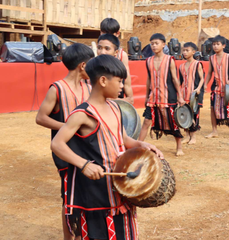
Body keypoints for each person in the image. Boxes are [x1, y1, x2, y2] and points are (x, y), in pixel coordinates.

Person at [51, 54, 163, 240]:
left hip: (120, 186)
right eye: (120, 81)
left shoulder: (116, 107)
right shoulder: (81, 114)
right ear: (103, 80)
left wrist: (141, 144)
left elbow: (124, 138)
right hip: (97, 194)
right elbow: (57, 143)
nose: (122, 86)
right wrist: (84, 165)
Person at [35, 43, 94, 240]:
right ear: (83, 65)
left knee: (86, 192)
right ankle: (69, 237)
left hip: (88, 150)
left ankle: (82, 233)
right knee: (69, 197)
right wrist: (69, 128)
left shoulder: (89, 87)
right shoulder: (57, 89)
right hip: (65, 151)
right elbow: (41, 118)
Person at [138, 33, 185, 156]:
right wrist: (146, 96)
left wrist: (180, 96)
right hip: (153, 97)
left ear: (163, 44)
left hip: (168, 97)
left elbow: (175, 79)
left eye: (156, 43)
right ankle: (137, 146)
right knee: (147, 121)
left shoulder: (170, 60)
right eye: (152, 43)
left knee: (172, 122)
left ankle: (179, 147)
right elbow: (149, 79)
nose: (154, 46)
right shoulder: (148, 61)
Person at [204, 35, 229, 138]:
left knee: (227, 106)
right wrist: (204, 84)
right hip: (216, 86)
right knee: (212, 108)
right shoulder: (211, 58)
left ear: (223, 46)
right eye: (214, 44)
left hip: (227, 86)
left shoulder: (228, 57)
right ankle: (214, 131)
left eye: (218, 44)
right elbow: (209, 73)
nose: (215, 46)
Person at [100, 18, 134, 104]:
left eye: (110, 34)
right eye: (104, 33)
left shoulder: (122, 55)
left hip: (117, 99)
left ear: (117, 34)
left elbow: (126, 81)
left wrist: (129, 98)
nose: (107, 38)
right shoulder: (95, 53)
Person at [179, 42, 205, 144]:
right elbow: (180, 81)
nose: (184, 52)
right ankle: (187, 135)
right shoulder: (181, 66)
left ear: (193, 52)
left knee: (194, 115)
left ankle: (193, 137)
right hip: (184, 94)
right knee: (185, 115)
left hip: (193, 95)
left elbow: (202, 78)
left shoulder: (198, 64)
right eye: (183, 50)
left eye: (187, 50)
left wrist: (198, 88)